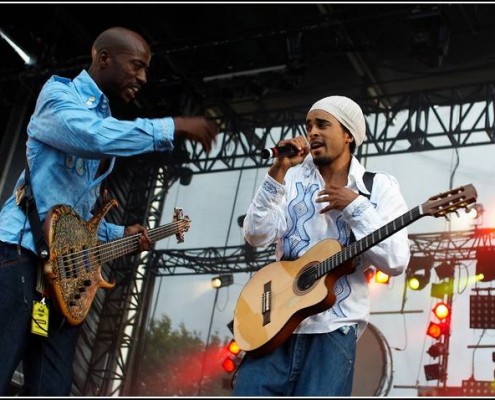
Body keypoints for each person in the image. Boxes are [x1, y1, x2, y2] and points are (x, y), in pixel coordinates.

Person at [0, 26, 218, 396]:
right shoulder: (58, 96)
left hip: (61, 282)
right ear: (104, 58)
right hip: (19, 254)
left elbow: (74, 223)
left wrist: (122, 234)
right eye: (137, 66)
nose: (144, 78)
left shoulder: (102, 118)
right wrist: (172, 126)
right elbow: (93, 136)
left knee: (52, 388)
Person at [233, 95, 411, 396]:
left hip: (333, 331)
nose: (312, 132)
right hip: (272, 324)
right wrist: (277, 172)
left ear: (348, 134)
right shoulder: (290, 178)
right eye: (309, 125)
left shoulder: (378, 186)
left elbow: (396, 260)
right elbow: (255, 235)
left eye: (322, 124)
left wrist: (355, 206)